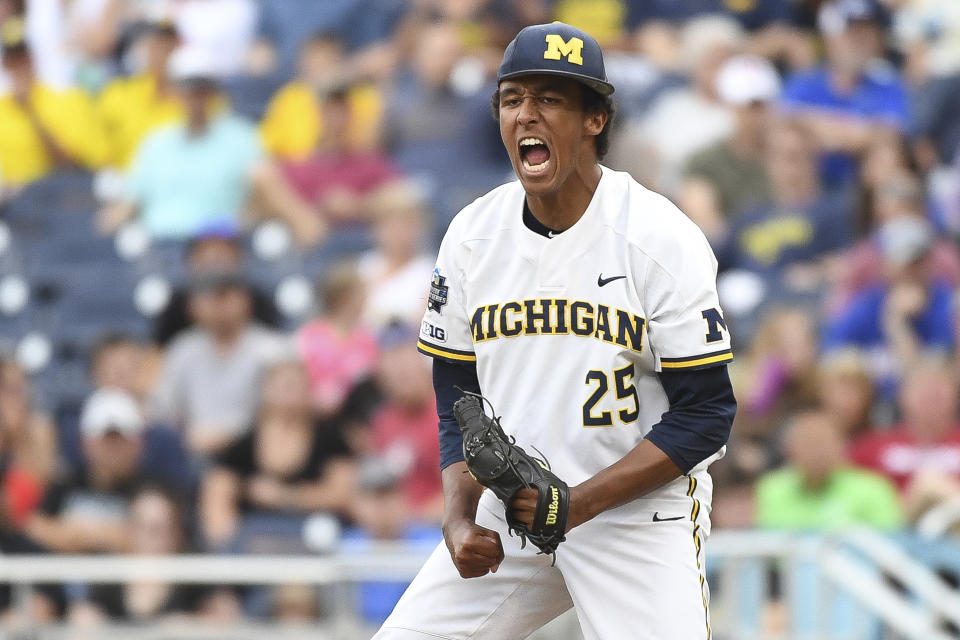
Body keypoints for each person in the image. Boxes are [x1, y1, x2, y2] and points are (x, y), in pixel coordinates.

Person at [375, 23, 736, 639]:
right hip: (515, 504)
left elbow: (707, 413)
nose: (526, 114)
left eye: (550, 99)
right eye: (513, 99)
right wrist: (460, 516)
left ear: (594, 119)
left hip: (632, 516)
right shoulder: (472, 235)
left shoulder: (657, 237)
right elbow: (456, 399)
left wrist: (577, 505)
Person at [98, 45, 323, 245]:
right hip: (161, 247)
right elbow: (130, 201)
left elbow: (268, 193)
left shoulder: (241, 138)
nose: (195, 98)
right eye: (188, 90)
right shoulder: (155, 143)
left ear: (214, 92)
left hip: (219, 249)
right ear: (175, 92)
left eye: (202, 90)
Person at [199, 360, 356, 549]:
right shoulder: (245, 443)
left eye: (295, 386)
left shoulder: (330, 438)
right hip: (256, 533)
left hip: (315, 529)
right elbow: (219, 487)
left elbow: (343, 494)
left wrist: (285, 497)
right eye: (283, 386)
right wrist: (223, 539)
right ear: (265, 391)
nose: (289, 394)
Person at [149, 268, 289, 457]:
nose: (218, 305)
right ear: (193, 306)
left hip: (255, 451)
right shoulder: (182, 349)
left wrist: (234, 435)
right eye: (210, 297)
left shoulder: (272, 350)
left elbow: (285, 412)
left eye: (225, 295)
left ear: (245, 300)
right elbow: (163, 409)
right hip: (193, 449)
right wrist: (185, 434)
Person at [68, 485, 239, 625]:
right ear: (129, 528)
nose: (150, 536)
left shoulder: (194, 577)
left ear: (177, 532)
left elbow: (226, 616)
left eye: (159, 528)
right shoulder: (110, 577)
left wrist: (193, 626)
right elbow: (83, 615)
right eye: (142, 526)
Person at [24, 388, 148, 553]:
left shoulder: (149, 490)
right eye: (105, 439)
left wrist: (82, 533)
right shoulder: (65, 484)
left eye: (120, 439)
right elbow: (32, 524)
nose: (112, 448)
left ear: (138, 444)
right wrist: (72, 536)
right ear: (85, 442)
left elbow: (157, 537)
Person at [0, 15, 108, 188]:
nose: (19, 67)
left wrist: (31, 113)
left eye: (23, 59)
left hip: (56, 191)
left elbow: (73, 166)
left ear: (32, 60)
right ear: (5, 65)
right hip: (12, 197)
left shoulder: (65, 100)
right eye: (13, 61)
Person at [680, 53, 779, 241]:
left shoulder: (789, 153)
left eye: (762, 105)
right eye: (749, 106)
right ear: (729, 105)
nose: (756, 115)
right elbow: (707, 224)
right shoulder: (704, 162)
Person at [756, 410, 902, 530]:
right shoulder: (770, 489)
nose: (815, 451)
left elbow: (890, 544)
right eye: (807, 442)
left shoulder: (874, 488)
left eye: (823, 442)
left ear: (842, 446)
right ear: (788, 449)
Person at [151, 225, 282, 346]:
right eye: (207, 254)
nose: (215, 262)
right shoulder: (176, 310)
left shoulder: (260, 304)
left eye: (221, 254)